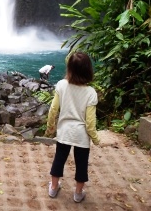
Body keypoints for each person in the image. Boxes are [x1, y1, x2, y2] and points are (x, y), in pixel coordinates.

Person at [44, 52, 100, 203]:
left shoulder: (62, 85)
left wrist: (50, 128)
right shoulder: (91, 93)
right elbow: (90, 121)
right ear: (88, 70)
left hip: (64, 132)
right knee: (81, 164)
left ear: (69, 69)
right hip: (81, 135)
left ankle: (54, 188)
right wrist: (95, 138)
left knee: (59, 159)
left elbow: (53, 110)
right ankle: (78, 193)